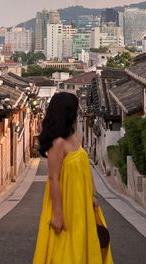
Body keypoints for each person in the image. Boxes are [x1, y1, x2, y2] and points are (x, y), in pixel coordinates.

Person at [33, 92, 113, 264]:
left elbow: (85, 169)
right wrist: (58, 214)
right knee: (65, 250)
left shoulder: (73, 138)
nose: (77, 113)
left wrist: (93, 194)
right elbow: (53, 179)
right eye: (75, 110)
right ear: (67, 112)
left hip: (82, 204)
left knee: (82, 245)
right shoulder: (58, 143)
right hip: (66, 205)